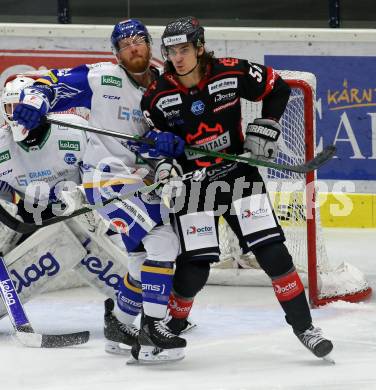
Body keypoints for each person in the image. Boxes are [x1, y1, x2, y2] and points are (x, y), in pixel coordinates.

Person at [140, 16, 333, 360]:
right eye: (171, 51)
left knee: (273, 253)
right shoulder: (157, 96)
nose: (177, 57)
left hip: (238, 176)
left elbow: (278, 87)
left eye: (184, 49)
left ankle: (306, 328)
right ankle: (170, 325)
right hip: (194, 186)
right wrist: (162, 152)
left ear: (200, 47)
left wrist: (269, 123)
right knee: (195, 268)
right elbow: (148, 142)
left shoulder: (230, 71)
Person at [13, 19, 187, 363]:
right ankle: (152, 332)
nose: (133, 47)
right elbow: (49, 82)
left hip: (143, 180)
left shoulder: (168, 85)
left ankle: (120, 326)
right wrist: (35, 101)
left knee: (141, 260)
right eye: (124, 45)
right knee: (163, 242)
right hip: (104, 180)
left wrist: (171, 144)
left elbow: (174, 137)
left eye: (138, 41)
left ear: (150, 45)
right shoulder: (102, 76)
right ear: (116, 53)